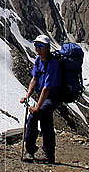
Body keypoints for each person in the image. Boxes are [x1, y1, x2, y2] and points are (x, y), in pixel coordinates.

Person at [20, 35, 62, 164]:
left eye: (41, 46)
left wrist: (37, 107)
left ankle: (30, 151)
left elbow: (46, 88)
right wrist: (27, 95)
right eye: (36, 46)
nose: (38, 49)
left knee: (34, 116)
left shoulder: (52, 64)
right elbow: (34, 79)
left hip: (52, 97)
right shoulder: (38, 60)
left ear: (47, 48)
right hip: (44, 96)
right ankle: (49, 155)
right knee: (46, 123)